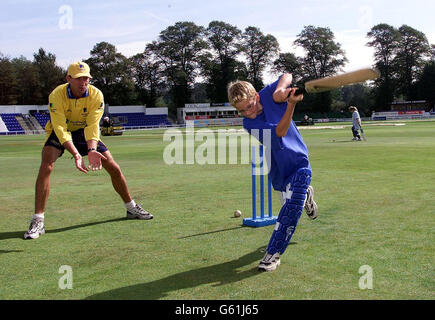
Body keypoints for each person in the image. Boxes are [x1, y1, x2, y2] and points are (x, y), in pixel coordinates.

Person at [24, 61, 153, 240]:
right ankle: (38, 220)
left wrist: (91, 149)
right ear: (68, 79)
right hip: (61, 131)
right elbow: (60, 128)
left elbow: (93, 125)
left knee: (114, 167)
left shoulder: (96, 95)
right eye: (79, 78)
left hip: (85, 132)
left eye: (86, 78)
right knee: (46, 166)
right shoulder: (57, 95)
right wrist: (76, 154)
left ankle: (131, 208)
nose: (83, 82)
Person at [227, 74, 318, 272]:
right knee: (291, 203)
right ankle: (305, 196)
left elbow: (286, 75)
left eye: (249, 106)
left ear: (257, 97)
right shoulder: (249, 124)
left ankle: (273, 255)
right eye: (241, 110)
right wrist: (291, 104)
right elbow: (280, 132)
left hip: (298, 160)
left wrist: (280, 90)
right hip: (279, 169)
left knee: (290, 211)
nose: (247, 112)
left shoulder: (267, 94)